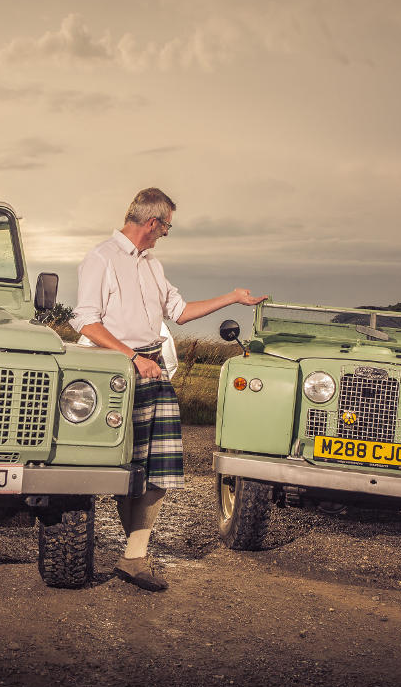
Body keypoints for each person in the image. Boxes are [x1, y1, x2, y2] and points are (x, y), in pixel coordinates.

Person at [70, 188, 267, 591]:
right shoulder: (101, 259)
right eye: (167, 227)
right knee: (122, 469)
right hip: (116, 372)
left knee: (160, 467)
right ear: (152, 223)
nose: (164, 235)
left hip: (152, 368)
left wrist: (233, 298)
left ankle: (134, 556)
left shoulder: (153, 266)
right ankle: (134, 556)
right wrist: (132, 357)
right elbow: (86, 323)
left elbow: (179, 312)